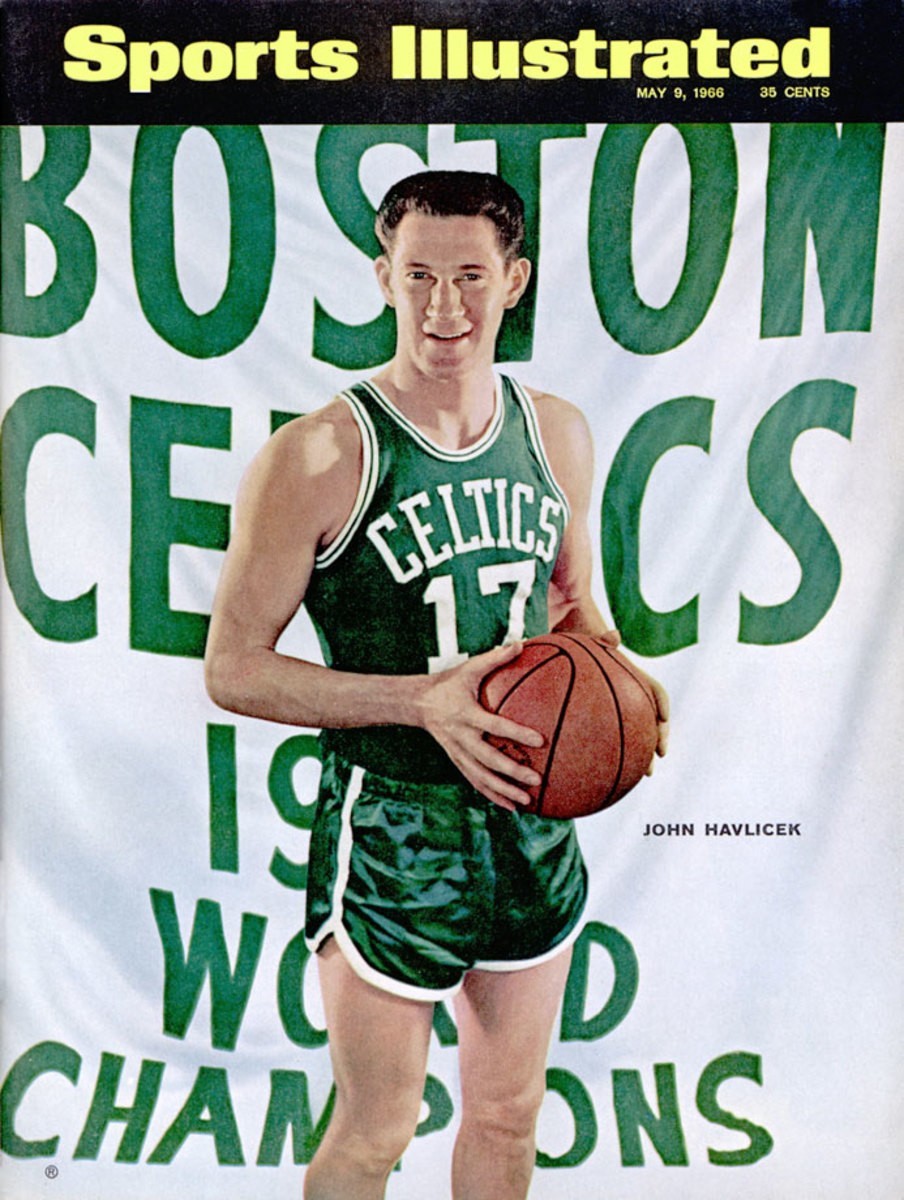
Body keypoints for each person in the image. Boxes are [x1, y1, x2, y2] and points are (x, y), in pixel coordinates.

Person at [204, 170, 668, 1200]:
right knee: (377, 1129)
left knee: (507, 1114)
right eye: (418, 275)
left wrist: (621, 678)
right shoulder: (318, 453)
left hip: (528, 819)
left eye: (469, 276)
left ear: (515, 281)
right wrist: (420, 702)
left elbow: (573, 608)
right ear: (383, 278)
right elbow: (233, 668)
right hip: (391, 823)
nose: (443, 305)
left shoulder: (556, 432)